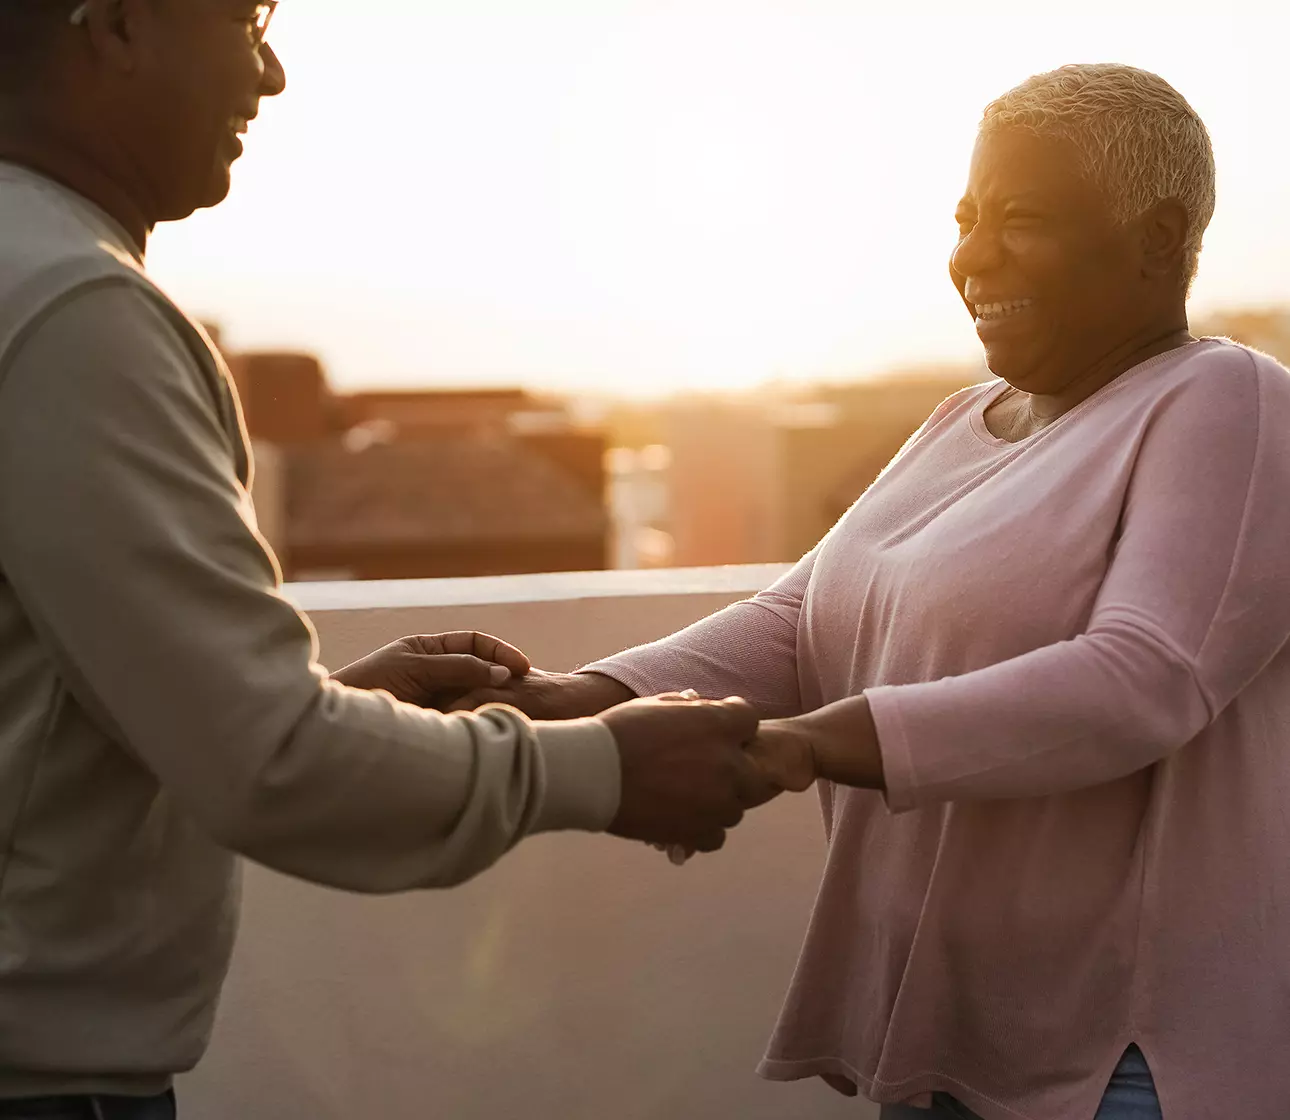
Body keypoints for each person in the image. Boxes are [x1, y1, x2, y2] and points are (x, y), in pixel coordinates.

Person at [456, 64, 1290, 1120]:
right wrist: (578, 695)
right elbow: (800, 620)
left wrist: (805, 744)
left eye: (1020, 219)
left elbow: (1140, 681)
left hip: (1118, 1059)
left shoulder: (1226, 399)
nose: (973, 256)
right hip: (945, 1021)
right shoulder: (963, 419)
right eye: (965, 217)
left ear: (1161, 239)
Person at [0, 3, 777, 1116]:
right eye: (243, 17)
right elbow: (269, 766)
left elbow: (74, 719)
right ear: (116, 26)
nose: (267, 74)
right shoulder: (75, 311)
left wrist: (334, 706)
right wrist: (605, 770)